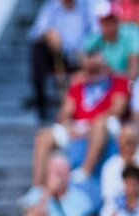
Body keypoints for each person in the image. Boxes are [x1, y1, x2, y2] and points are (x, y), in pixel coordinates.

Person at [30, 49, 128, 187]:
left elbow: (117, 110)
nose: (92, 72)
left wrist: (89, 127)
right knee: (43, 136)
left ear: (106, 66)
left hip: (106, 124)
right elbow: (64, 115)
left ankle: (85, 171)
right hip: (79, 125)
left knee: (100, 124)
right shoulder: (79, 85)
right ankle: (37, 187)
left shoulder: (119, 81)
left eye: (96, 68)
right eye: (89, 68)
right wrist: (68, 125)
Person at [28, 0, 96, 120]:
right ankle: (41, 102)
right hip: (60, 55)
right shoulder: (51, 7)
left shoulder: (86, 6)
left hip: (83, 54)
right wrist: (48, 34)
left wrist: (85, 52)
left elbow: (96, 30)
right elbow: (36, 32)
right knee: (39, 48)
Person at [22, 154, 95, 216]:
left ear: (69, 175)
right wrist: (48, 192)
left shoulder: (82, 199)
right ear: (47, 174)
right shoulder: (36, 195)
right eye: (55, 172)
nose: (58, 177)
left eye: (61, 172)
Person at [98, 123, 139, 201]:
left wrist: (136, 167)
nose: (127, 146)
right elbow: (108, 198)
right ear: (118, 142)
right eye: (124, 141)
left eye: (131, 141)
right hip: (119, 207)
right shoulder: (110, 165)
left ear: (138, 141)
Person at [83, 1, 139, 78]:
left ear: (118, 19)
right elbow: (84, 63)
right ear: (100, 22)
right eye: (105, 20)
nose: (109, 24)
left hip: (129, 83)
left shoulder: (132, 32)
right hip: (106, 83)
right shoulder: (93, 40)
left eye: (112, 19)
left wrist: (111, 73)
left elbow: (135, 70)